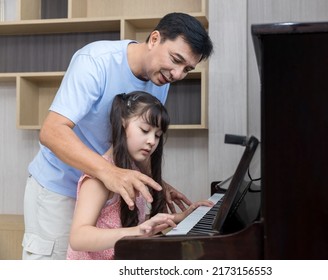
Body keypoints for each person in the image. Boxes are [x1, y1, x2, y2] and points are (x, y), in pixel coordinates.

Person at [22, 12, 214, 260]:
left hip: (104, 193)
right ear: (154, 39)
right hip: (60, 188)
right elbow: (51, 131)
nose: (178, 75)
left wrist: (154, 183)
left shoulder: (161, 78)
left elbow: (131, 141)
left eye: (187, 69)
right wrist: (108, 172)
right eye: (176, 60)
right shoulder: (95, 61)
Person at [66, 92, 212, 260]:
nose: (152, 141)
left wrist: (181, 217)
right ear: (122, 123)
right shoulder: (99, 178)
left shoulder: (133, 170)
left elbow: (122, 223)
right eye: (145, 130)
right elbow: (78, 238)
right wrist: (136, 232)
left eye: (157, 135)